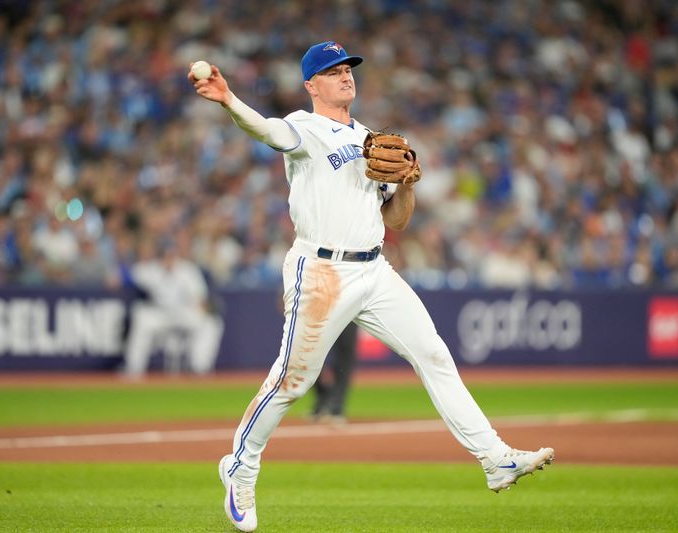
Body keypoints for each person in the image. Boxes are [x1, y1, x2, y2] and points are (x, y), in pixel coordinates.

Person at [189, 41, 554, 532]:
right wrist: (230, 100)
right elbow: (267, 131)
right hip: (320, 271)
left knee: (434, 355)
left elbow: (396, 222)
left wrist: (406, 185)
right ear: (311, 84)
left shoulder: (370, 139)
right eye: (332, 71)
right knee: (292, 381)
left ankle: (495, 459)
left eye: (348, 69)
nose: (345, 76)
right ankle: (240, 464)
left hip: (374, 270)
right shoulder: (305, 127)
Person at [122, 236, 224, 377]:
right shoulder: (151, 269)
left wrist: (203, 308)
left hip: (184, 313)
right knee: (141, 317)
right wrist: (116, 276)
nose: (168, 258)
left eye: (171, 254)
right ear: (160, 254)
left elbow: (200, 298)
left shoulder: (188, 270)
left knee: (211, 323)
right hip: (160, 314)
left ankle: (200, 367)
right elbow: (127, 274)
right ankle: (133, 369)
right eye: (165, 254)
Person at [311, 321, 358, 424]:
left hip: (350, 310)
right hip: (318, 309)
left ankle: (336, 407)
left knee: (345, 354)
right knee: (310, 352)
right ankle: (322, 400)